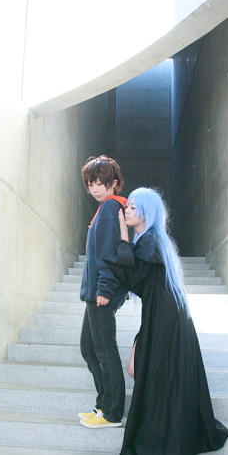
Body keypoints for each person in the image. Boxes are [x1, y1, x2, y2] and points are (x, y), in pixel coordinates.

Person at [107, 187, 228, 455]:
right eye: (128, 206)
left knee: (156, 372)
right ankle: (162, 434)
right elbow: (138, 281)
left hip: (165, 317)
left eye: (134, 207)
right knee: (141, 368)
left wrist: (123, 235)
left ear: (147, 212)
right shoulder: (151, 240)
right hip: (162, 314)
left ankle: (163, 441)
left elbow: (131, 277)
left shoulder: (151, 240)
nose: (127, 210)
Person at [78, 156, 128, 429]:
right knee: (89, 348)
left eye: (101, 183)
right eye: (91, 184)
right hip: (94, 292)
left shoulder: (110, 207)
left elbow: (109, 252)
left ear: (114, 183)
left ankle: (111, 412)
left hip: (101, 292)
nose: (95, 189)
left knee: (104, 350)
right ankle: (103, 405)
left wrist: (105, 288)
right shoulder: (104, 208)